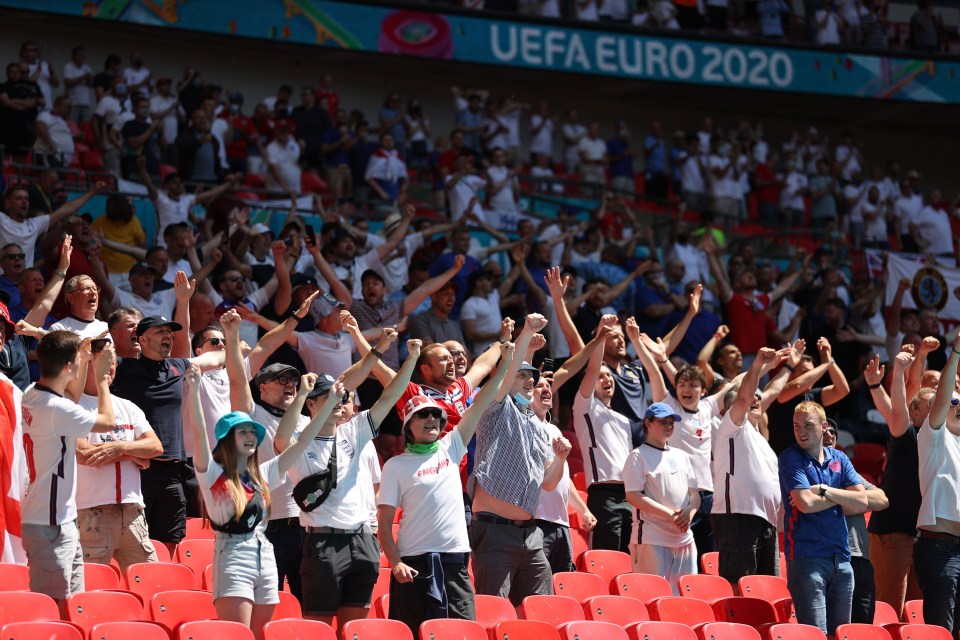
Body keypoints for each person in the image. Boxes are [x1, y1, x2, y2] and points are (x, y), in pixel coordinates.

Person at [273, 333, 420, 627]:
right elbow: (280, 440)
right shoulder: (301, 443)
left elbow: (392, 395)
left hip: (363, 539)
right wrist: (302, 392)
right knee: (320, 626)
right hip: (323, 541)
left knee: (356, 628)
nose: (339, 401)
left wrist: (413, 357)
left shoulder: (354, 431)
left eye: (341, 397)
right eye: (329, 396)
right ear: (312, 405)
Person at [186, 365, 343, 640]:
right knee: (237, 635)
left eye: (252, 433)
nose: (250, 437)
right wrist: (196, 388)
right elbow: (199, 432)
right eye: (242, 432)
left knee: (260, 636)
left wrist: (328, 401)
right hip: (233, 556)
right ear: (226, 440)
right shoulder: (211, 472)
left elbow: (302, 442)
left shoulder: (262, 473)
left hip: (265, 554)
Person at [378, 340, 514, 635]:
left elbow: (483, 397)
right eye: (422, 415)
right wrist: (396, 562)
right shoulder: (395, 466)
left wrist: (507, 359)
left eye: (435, 416)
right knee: (412, 633)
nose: (431, 419)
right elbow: (385, 524)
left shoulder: (452, 445)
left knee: (462, 632)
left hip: (454, 559)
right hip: (412, 563)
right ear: (408, 425)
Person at [468, 313, 573, 606]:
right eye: (522, 375)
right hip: (494, 532)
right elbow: (503, 376)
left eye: (532, 377)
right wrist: (525, 335)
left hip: (531, 535)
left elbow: (549, 483)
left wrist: (561, 459)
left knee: (541, 611)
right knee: (495, 611)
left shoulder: (539, 427)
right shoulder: (494, 408)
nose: (530, 380)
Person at [20, 332, 116, 617]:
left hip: (57, 519)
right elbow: (107, 421)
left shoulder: (32, 394)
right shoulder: (55, 408)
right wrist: (100, 379)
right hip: (50, 524)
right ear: (68, 367)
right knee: (52, 608)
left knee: (72, 606)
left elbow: (70, 397)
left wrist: (83, 359)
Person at [112, 315, 225, 556]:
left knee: (170, 542)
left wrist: (229, 343)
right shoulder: (125, 367)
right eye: (160, 331)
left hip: (174, 471)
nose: (168, 336)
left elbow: (217, 357)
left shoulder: (179, 366)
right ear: (141, 339)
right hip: (138, 470)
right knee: (136, 544)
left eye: (169, 332)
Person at [574, 315, 663, 553]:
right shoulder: (585, 407)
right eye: (600, 377)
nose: (606, 379)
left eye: (609, 376)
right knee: (606, 559)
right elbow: (593, 367)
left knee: (628, 559)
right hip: (603, 495)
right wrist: (601, 334)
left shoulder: (624, 420)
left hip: (629, 495)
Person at [779, 400, 867, 635]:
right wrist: (842, 497)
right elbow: (805, 504)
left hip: (841, 558)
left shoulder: (839, 457)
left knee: (840, 634)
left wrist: (824, 490)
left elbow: (862, 501)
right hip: (807, 558)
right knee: (815, 634)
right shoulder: (790, 458)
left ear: (823, 426)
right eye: (796, 426)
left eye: (807, 425)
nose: (801, 432)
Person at [711, 346, 797, 586]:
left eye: (759, 398)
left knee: (767, 588)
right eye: (750, 399)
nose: (756, 400)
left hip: (765, 521)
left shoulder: (762, 441)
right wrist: (758, 365)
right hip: (738, 517)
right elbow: (744, 396)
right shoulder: (730, 428)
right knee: (739, 589)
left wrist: (788, 367)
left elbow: (771, 392)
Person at [864, 352, 927, 619]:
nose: (940, 405)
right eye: (931, 403)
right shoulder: (906, 435)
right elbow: (897, 407)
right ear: (915, 412)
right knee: (888, 613)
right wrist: (897, 373)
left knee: (915, 617)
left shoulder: (943, 444)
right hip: (893, 535)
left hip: (922, 539)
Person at [624, 401, 699, 594]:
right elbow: (633, 496)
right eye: (663, 422)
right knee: (653, 596)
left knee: (685, 598)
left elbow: (694, 494)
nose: (668, 426)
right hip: (652, 536)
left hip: (684, 537)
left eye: (671, 422)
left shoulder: (682, 455)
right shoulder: (637, 456)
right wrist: (669, 515)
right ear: (648, 423)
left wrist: (689, 512)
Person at [913, 334, 960, 637]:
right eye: (954, 401)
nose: (955, 403)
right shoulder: (932, 437)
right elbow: (943, 396)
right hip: (939, 548)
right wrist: (955, 353)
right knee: (941, 632)